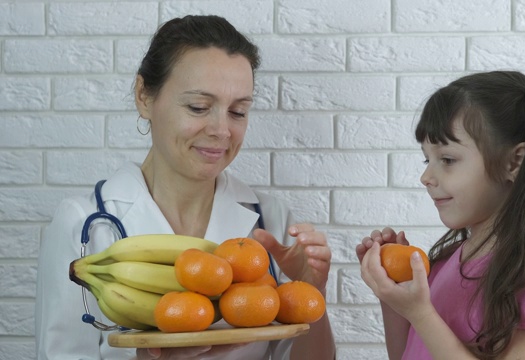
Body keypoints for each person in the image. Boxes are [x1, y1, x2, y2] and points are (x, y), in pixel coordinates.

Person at [35, 15, 335, 360]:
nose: (222, 130)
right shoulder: (83, 223)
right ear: (144, 96)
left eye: (238, 112)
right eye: (198, 107)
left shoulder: (270, 221)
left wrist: (315, 290)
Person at [356, 71, 525, 359]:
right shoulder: (444, 264)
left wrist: (421, 313)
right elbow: (408, 355)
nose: (426, 176)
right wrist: (394, 293)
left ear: (514, 162)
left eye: (447, 159)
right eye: (426, 159)